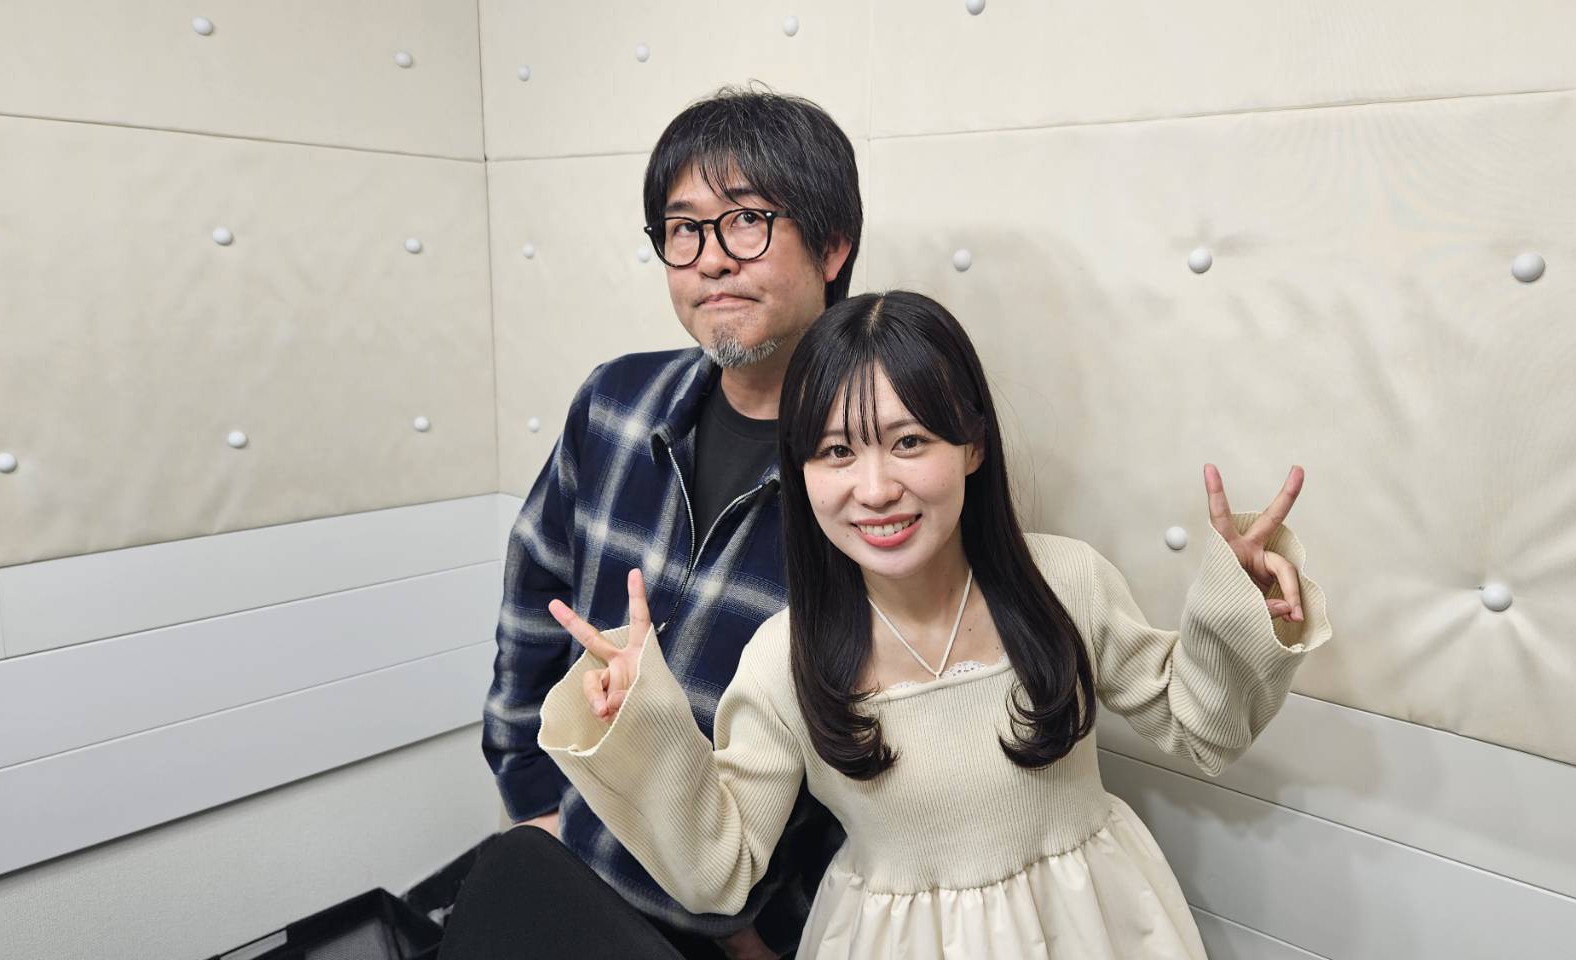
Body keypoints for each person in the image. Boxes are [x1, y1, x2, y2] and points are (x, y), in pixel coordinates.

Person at [536, 290, 1333, 959]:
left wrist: (1239, 602)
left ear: (972, 446)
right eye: (835, 452)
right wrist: (641, 724)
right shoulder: (784, 656)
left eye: (909, 441)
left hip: (1093, 925)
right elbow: (720, 868)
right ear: (800, 471)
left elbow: (1202, 728)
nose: (875, 487)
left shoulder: (1066, 582)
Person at [439, 87, 862, 960]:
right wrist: (533, 801)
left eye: (745, 221)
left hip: (728, 930)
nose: (710, 260)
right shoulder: (615, 402)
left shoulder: (878, 470)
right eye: (682, 229)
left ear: (832, 245)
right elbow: (531, 607)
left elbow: (891, 736)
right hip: (563, 872)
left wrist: (776, 929)